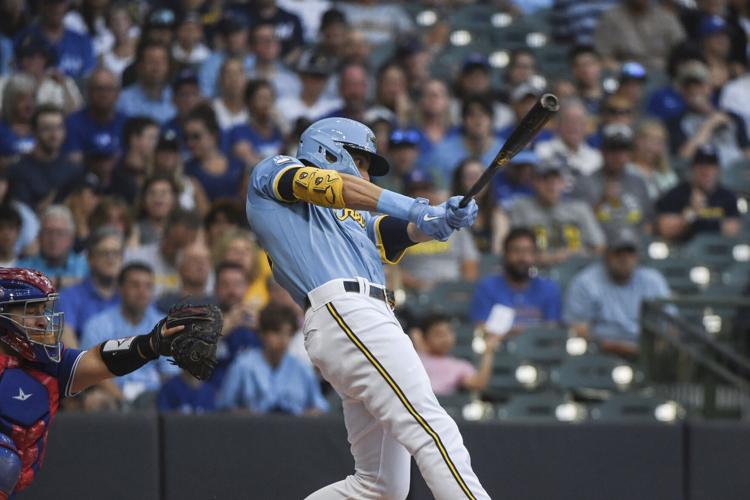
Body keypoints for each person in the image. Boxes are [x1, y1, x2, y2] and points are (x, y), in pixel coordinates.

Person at [246, 117, 490, 498]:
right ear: (327, 151)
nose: (365, 174)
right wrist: (417, 208)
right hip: (345, 309)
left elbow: (394, 232)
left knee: (380, 486)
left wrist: (440, 220)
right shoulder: (275, 170)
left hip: (360, 318)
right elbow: (336, 187)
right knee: (431, 428)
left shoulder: (351, 217)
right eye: (361, 162)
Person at [0, 266, 189, 497]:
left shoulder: (49, 363)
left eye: (44, 310)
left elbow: (98, 359)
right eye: (31, 312)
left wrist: (150, 345)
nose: (43, 322)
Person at [80, 262, 179, 407]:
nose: (142, 291)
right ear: (120, 289)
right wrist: (122, 400)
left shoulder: (165, 326)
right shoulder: (98, 325)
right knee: (95, 400)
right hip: (113, 397)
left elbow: (169, 374)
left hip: (153, 398)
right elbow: (90, 371)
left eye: (148, 286)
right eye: (135, 285)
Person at [564, 228, 670, 356]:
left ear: (637, 255)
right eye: (618, 252)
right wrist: (617, 348)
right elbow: (579, 330)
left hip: (649, 355)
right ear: (607, 254)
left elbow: (670, 326)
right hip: (601, 356)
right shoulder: (585, 282)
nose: (624, 258)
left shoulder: (653, 281)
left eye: (629, 252)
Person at [218, 302, 326, 415]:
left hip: (293, 430)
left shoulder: (302, 368)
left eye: (288, 333)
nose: (283, 340)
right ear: (262, 333)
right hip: (251, 430)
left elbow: (319, 407)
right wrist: (246, 415)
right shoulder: (242, 364)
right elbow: (225, 407)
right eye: (276, 332)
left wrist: (303, 416)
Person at [509, 161, 605, 266]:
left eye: (556, 179)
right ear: (534, 182)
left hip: (576, 270)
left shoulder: (580, 209)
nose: (552, 185)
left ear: (563, 183)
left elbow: (600, 246)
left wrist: (572, 253)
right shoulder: (521, 209)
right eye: (545, 179)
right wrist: (542, 258)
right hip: (535, 271)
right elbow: (513, 250)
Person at [470, 228, 562, 335]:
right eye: (516, 251)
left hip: (538, 349)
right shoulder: (487, 288)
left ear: (535, 255)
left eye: (528, 251)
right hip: (498, 349)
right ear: (505, 254)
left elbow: (552, 330)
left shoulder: (548, 289)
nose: (522, 258)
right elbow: (480, 328)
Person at [573, 124, 654, 241]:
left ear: (630, 153)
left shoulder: (638, 182)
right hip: (598, 251)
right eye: (613, 149)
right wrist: (601, 201)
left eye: (624, 150)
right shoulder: (584, 182)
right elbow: (577, 225)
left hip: (634, 249)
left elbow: (649, 222)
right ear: (602, 151)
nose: (619, 156)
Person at [655, 144, 741, 242]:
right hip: (682, 251)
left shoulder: (727, 196)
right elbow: (666, 230)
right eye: (701, 165)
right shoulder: (676, 194)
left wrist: (698, 223)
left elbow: (733, 229)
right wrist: (692, 213)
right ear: (692, 168)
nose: (706, 171)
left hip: (719, 250)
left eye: (711, 165)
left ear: (718, 169)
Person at [57, 226, 123, 347]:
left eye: (116, 253)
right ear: (90, 259)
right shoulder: (69, 297)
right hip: (86, 363)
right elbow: (69, 349)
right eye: (104, 253)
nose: (111, 259)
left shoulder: (130, 296)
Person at [9, 104, 82, 212]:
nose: (54, 134)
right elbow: (23, 212)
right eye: (47, 128)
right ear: (34, 131)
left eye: (59, 127)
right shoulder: (19, 169)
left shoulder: (74, 169)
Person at [417, 313, 500, 397]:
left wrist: (488, 352)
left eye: (448, 332)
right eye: (438, 334)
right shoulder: (415, 360)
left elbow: (478, 383)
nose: (445, 338)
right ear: (424, 337)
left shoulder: (459, 367)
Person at [125, 208, 201, 296]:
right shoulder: (137, 256)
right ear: (165, 232)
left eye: (182, 246)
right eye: (174, 243)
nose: (174, 251)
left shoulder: (194, 267)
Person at [593, 0, 685, 72]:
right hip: (625, 74)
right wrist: (622, 70)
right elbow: (603, 56)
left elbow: (681, 49)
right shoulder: (611, 18)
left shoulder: (666, 18)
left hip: (663, 72)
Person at [14, 0, 95, 80]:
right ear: (41, 5)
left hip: (73, 91)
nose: (55, 8)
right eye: (50, 3)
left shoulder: (81, 42)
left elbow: (88, 78)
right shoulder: (23, 39)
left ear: (66, 5)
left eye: (59, 3)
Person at [535, 97, 602, 191]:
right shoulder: (542, 151)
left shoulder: (596, 158)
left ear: (586, 127)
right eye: (569, 121)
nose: (574, 126)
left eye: (579, 122)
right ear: (558, 124)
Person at [64, 67, 127, 164]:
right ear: (88, 92)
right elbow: (73, 161)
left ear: (118, 94)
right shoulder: (72, 123)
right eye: (99, 89)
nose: (104, 94)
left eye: (109, 89)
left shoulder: (126, 123)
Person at [183, 105, 245, 202]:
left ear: (213, 136)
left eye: (196, 136)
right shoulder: (187, 171)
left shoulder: (238, 166)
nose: (190, 143)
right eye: (186, 137)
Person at [18, 205, 88, 289]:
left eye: (60, 233)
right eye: (48, 232)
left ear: (71, 238)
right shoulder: (23, 270)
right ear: (39, 236)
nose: (53, 239)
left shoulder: (86, 268)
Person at [451, 158, 506, 255]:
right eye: (471, 177)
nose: (477, 182)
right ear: (460, 181)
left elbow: (498, 254)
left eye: (481, 177)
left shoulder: (498, 215)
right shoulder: (448, 211)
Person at [117, 41, 176, 124]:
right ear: (139, 66)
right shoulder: (122, 100)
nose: (156, 67)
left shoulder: (176, 98)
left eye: (162, 61)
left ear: (168, 66)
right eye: (151, 61)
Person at [155, 242, 213, 314]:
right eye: (195, 260)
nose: (201, 265)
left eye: (206, 261)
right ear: (180, 268)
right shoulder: (164, 304)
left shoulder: (218, 304)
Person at [568, 45, 604, 114]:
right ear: (573, 70)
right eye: (579, 66)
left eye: (589, 64)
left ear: (600, 65)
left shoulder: (614, 98)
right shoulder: (567, 99)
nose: (585, 70)